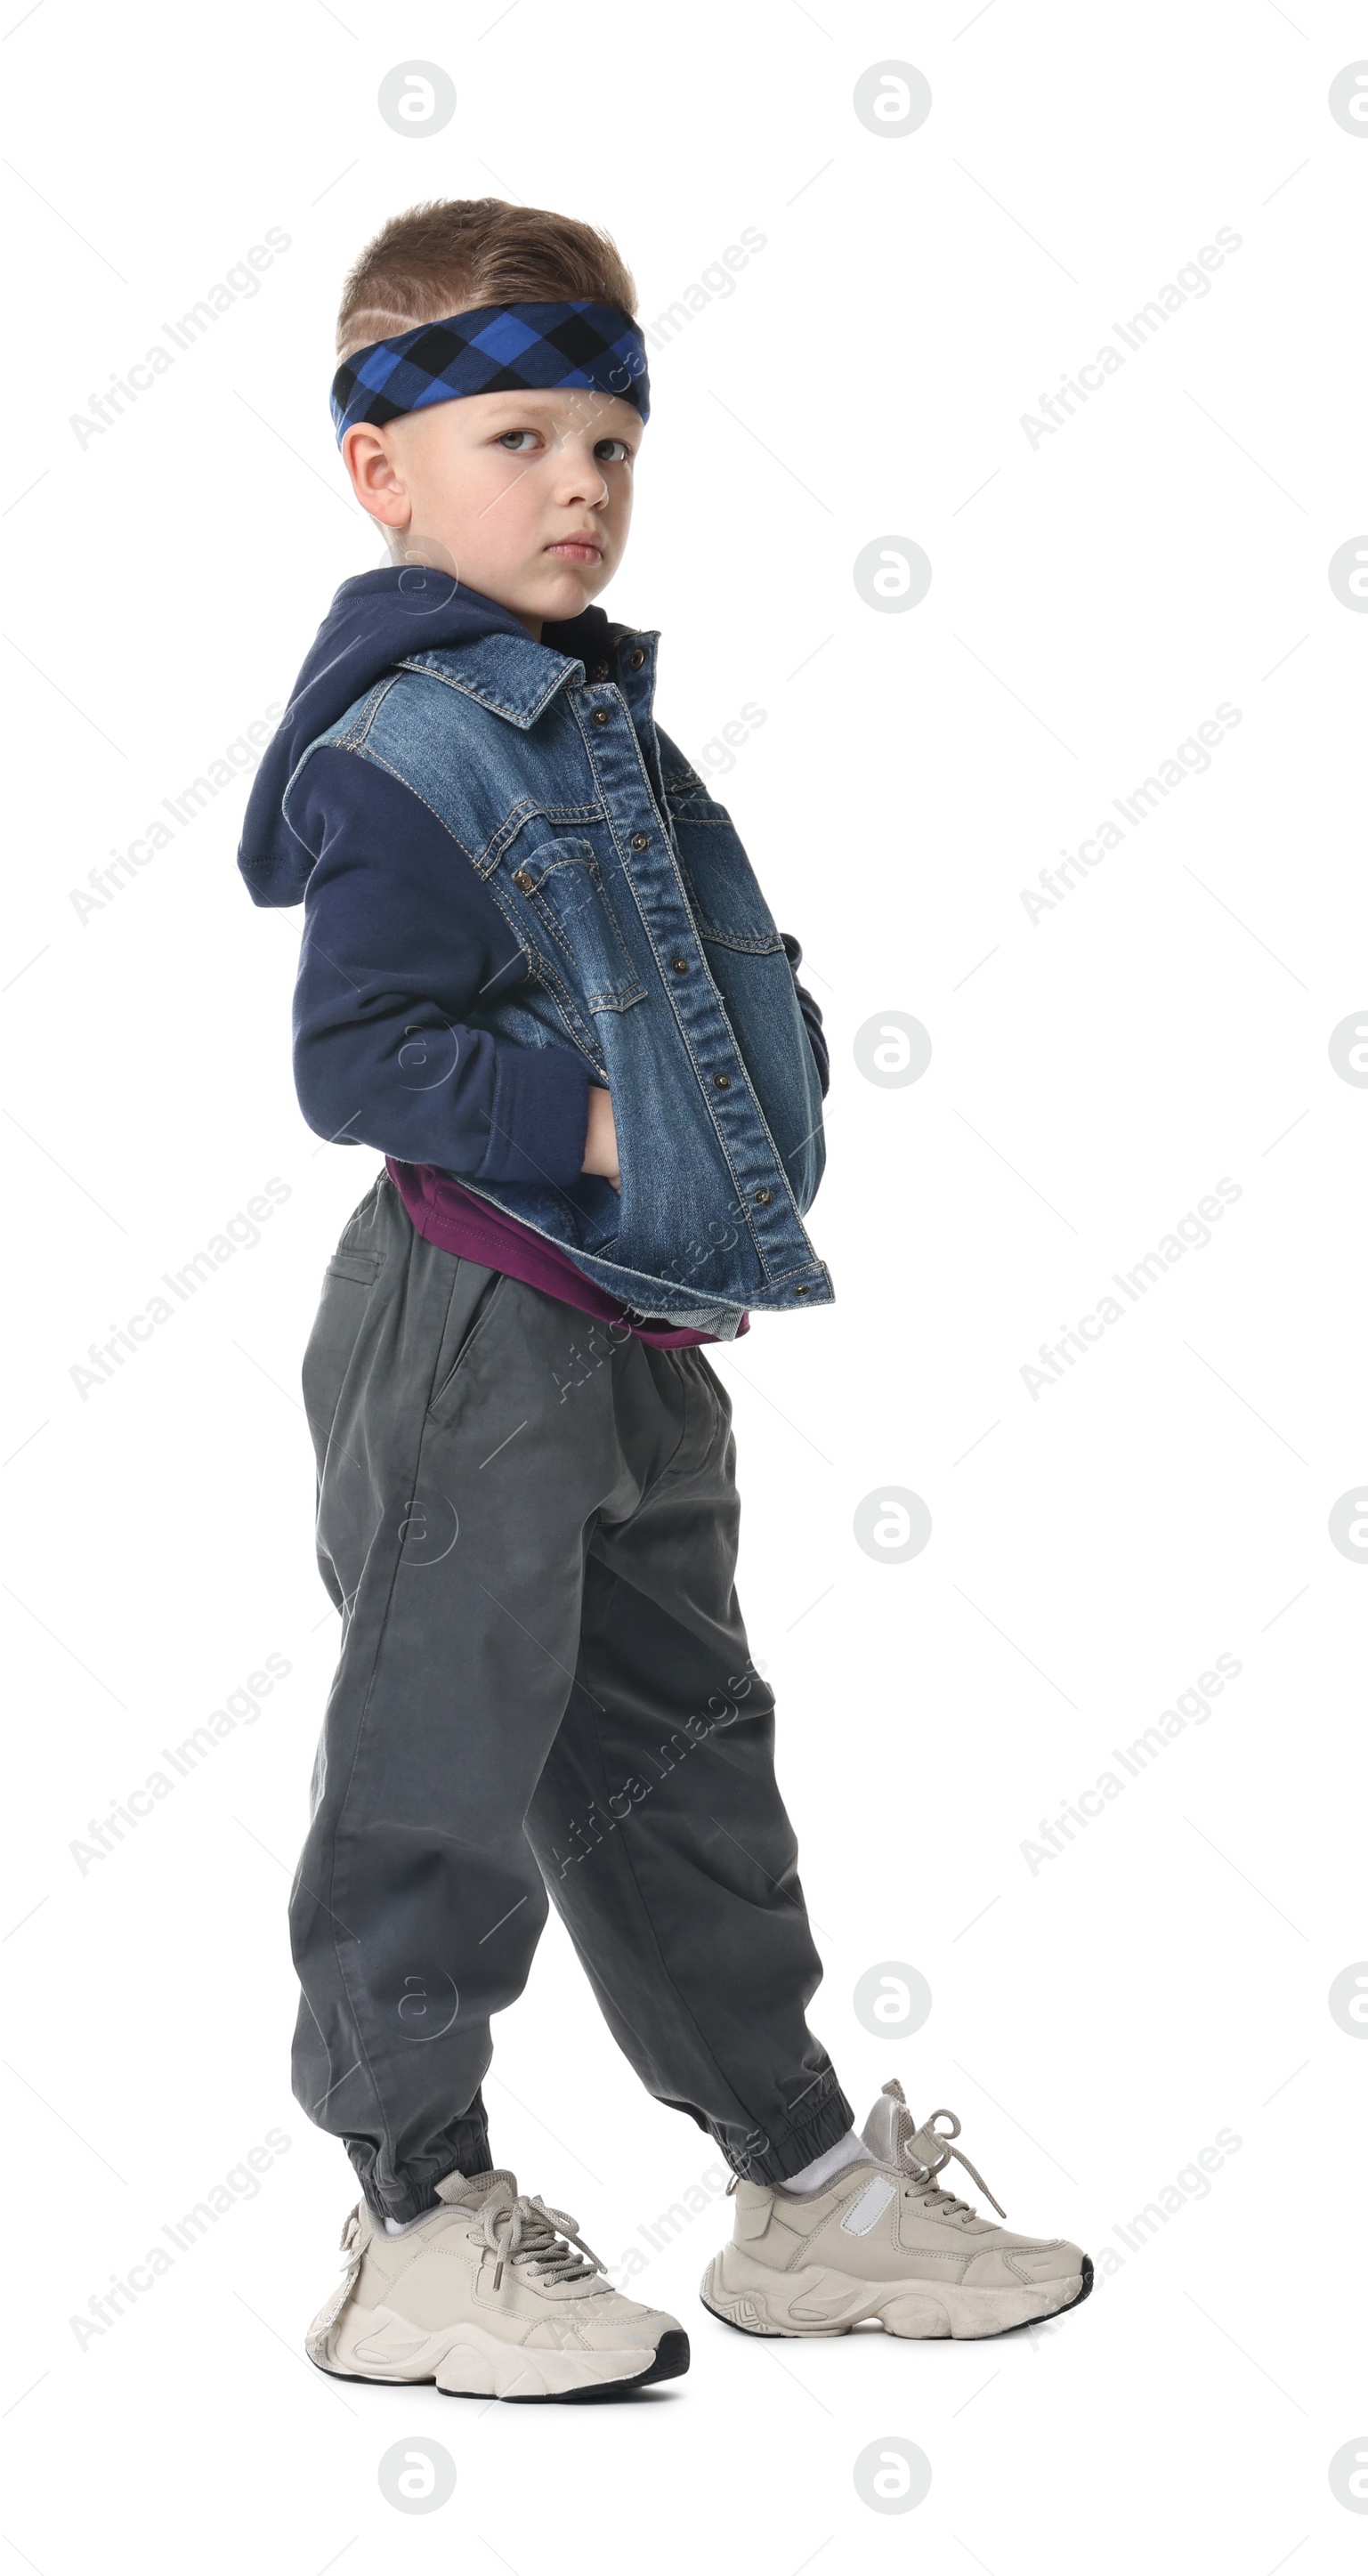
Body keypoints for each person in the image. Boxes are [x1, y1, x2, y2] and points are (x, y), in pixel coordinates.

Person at [237, 195, 1091, 2401]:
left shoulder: (589, 725)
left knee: (680, 1772)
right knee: (439, 1779)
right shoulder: (410, 749)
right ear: (381, 469)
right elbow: (357, 1059)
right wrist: (598, 1127)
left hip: (627, 1344)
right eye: (517, 439)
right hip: (472, 1333)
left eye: (610, 444)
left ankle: (798, 2190)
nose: (580, 488)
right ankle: (413, 2221)